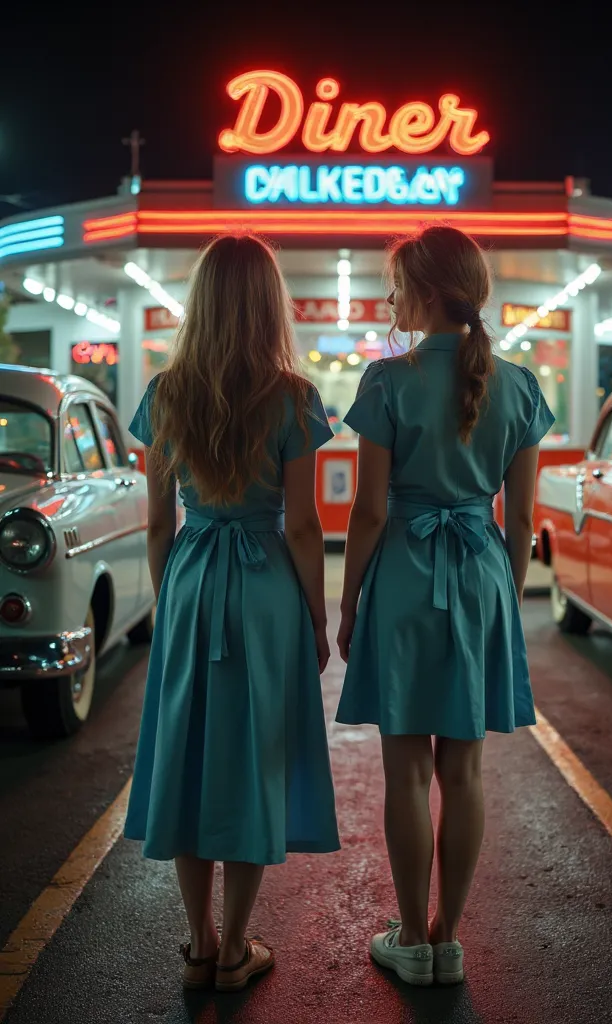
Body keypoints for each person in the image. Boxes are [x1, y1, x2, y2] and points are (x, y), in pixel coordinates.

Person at [336, 225, 554, 987]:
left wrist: (348, 603)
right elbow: (522, 519)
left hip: (402, 573)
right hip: (482, 575)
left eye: (395, 283)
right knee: (463, 772)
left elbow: (367, 513)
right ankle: (448, 938)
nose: (389, 297)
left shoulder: (385, 381)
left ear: (424, 290)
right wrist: (506, 593)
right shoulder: (521, 384)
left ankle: (409, 937)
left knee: (406, 773)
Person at [123, 234, 340, 993]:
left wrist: (170, 601)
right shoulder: (295, 397)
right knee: (256, 754)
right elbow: (306, 526)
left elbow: (157, 524)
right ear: (268, 304)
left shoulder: (165, 392)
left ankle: (197, 942)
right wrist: (315, 619)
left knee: (187, 752)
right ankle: (237, 948)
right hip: (264, 586)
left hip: (191, 580)